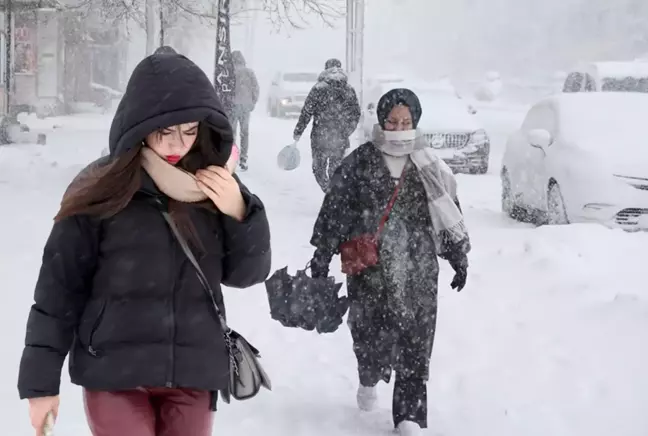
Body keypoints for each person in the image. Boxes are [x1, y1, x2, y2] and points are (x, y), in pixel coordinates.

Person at [17, 48, 271, 436]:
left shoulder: (215, 187)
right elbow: (58, 291)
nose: (177, 145)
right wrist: (40, 386)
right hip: (114, 372)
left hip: (193, 372)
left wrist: (240, 212)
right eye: (164, 132)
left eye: (189, 131)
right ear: (138, 126)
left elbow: (247, 274)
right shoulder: (101, 189)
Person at [308, 88, 471, 435]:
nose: (399, 129)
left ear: (416, 122)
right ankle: (368, 377)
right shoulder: (360, 161)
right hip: (371, 270)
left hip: (418, 267)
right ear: (381, 122)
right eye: (392, 122)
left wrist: (458, 256)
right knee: (370, 335)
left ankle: (408, 415)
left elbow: (448, 212)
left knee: (417, 337)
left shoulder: (428, 164)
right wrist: (322, 254)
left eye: (406, 122)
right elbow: (334, 210)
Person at [293, 58, 361, 192]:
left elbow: (307, 111)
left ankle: (327, 190)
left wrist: (298, 131)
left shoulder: (318, 88)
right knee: (335, 169)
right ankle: (334, 193)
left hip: (320, 136)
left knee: (318, 169)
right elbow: (356, 113)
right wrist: (347, 130)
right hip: (340, 137)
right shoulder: (348, 89)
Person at [231, 50, 259, 171]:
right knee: (244, 132)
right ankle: (243, 157)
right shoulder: (249, 72)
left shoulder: (230, 73)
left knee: (231, 133)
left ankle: (232, 157)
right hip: (245, 106)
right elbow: (256, 88)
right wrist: (253, 102)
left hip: (232, 106)